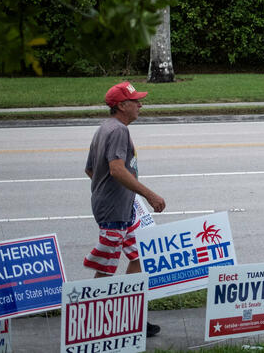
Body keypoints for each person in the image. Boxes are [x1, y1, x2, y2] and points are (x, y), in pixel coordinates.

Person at [84, 81, 166, 337]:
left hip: (121, 208)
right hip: (114, 212)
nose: (140, 104)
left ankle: (132, 316)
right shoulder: (117, 131)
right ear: (122, 105)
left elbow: (91, 169)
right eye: (136, 101)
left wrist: (112, 191)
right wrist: (149, 194)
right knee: (106, 267)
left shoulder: (105, 128)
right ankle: (91, 322)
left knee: (138, 257)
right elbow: (117, 169)